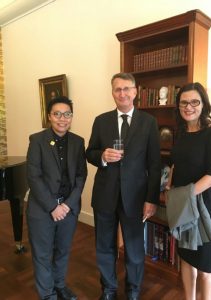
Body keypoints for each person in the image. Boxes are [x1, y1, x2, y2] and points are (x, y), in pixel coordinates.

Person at [86, 72, 161, 300]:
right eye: (118, 89)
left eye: (127, 88)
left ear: (135, 91)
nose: (122, 93)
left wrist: (151, 199)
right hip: (105, 196)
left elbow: (154, 164)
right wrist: (103, 156)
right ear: (112, 93)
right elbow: (90, 153)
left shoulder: (149, 122)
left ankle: (133, 291)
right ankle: (108, 290)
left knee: (135, 250)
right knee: (104, 247)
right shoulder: (101, 120)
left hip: (136, 198)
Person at [166, 82, 211, 300]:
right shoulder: (180, 133)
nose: (188, 107)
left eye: (194, 102)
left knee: (207, 269)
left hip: (206, 209)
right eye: (184, 102)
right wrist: (169, 186)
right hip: (184, 208)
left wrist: (181, 196)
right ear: (178, 106)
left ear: (203, 104)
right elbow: (175, 165)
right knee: (187, 259)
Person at [26, 96, 87, 300]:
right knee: (43, 255)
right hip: (43, 209)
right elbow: (33, 177)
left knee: (62, 251)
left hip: (68, 209)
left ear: (71, 117)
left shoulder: (78, 142)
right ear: (49, 116)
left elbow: (81, 176)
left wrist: (67, 205)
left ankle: (59, 286)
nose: (63, 119)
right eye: (57, 114)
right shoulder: (37, 140)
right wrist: (53, 207)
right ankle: (48, 295)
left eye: (67, 114)